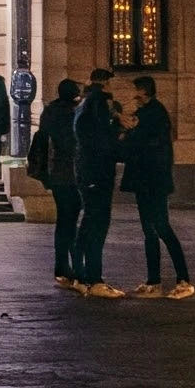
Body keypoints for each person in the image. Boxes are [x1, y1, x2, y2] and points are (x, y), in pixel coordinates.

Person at [120, 75, 193, 297]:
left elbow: (137, 142)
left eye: (137, 91)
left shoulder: (153, 115)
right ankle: (154, 281)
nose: (135, 95)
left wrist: (126, 134)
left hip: (153, 181)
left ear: (145, 91)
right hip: (147, 181)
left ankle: (183, 280)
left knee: (161, 227)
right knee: (149, 231)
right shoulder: (148, 113)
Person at [28, 78, 83, 288]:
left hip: (55, 175)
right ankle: (76, 265)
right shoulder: (73, 114)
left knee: (63, 220)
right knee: (72, 220)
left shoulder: (50, 112)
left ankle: (61, 267)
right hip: (72, 173)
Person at [72, 69, 122, 296]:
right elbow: (103, 138)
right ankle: (94, 279)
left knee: (88, 222)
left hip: (87, 170)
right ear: (105, 83)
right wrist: (117, 127)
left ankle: (80, 275)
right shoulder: (99, 103)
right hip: (98, 171)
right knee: (98, 223)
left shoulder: (84, 103)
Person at [10, 60, 38, 160]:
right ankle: (25, 149)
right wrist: (29, 100)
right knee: (26, 125)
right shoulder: (30, 75)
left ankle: (19, 149)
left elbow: (12, 90)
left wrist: (16, 99)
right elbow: (33, 90)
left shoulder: (16, 75)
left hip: (18, 103)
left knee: (17, 124)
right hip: (26, 104)